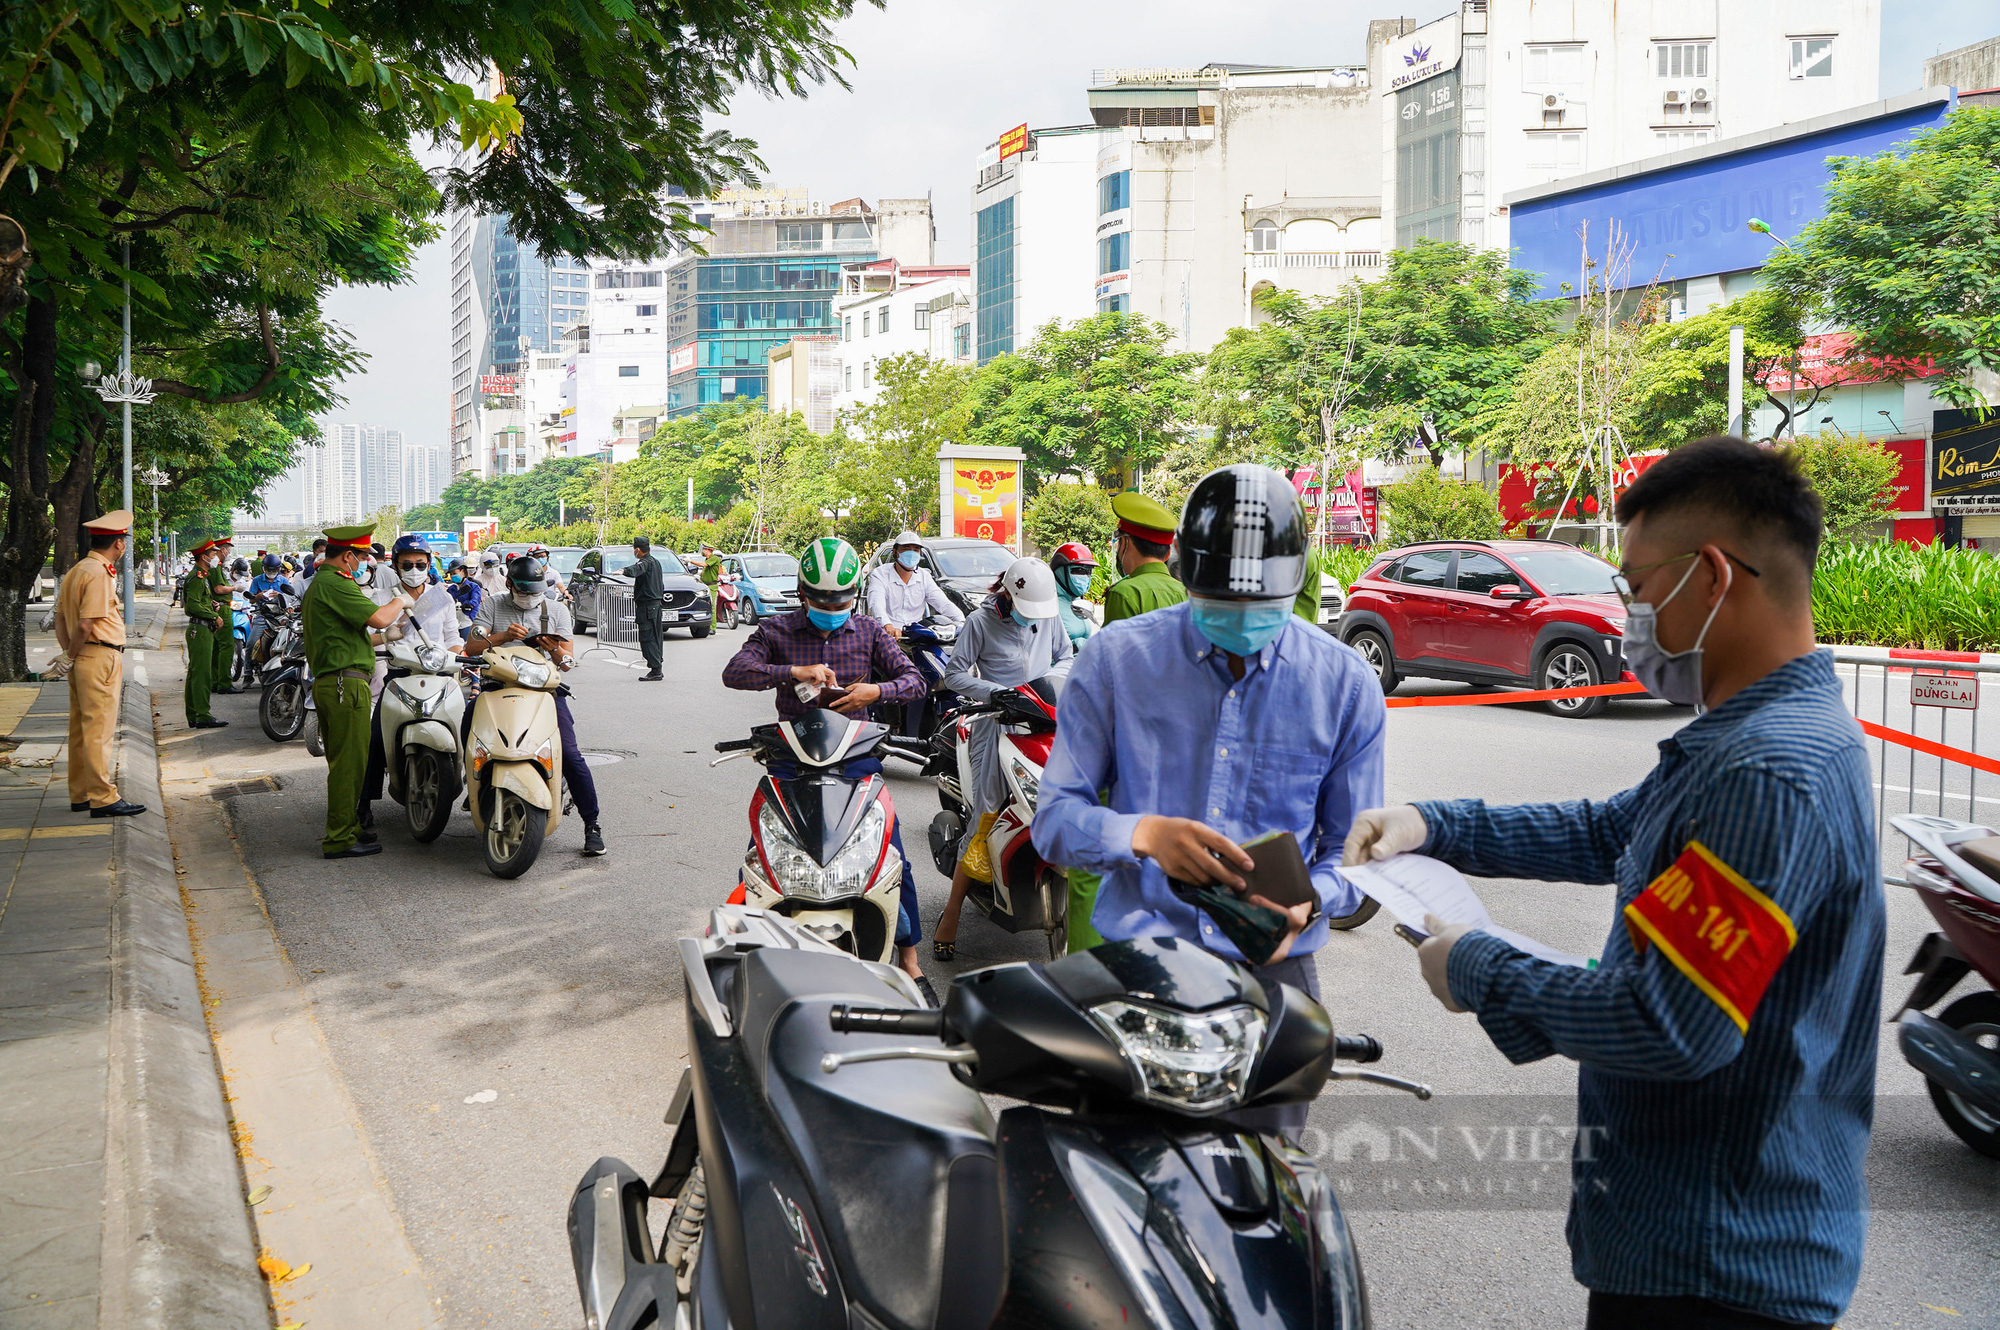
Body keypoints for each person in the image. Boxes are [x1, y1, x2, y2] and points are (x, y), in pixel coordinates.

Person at [1344, 438, 1882, 1330]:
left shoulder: (1767, 769)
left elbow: (1668, 1023)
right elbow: (1611, 830)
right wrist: (1432, 823)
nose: (1626, 615)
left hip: (1713, 1266)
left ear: (1710, 578)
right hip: (1700, 1240)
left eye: (1634, 589)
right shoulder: (1751, 742)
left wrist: (1475, 966)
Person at [1033, 464, 1386, 1140]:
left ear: (1298, 581)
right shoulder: (1115, 662)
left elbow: (1355, 852)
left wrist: (1313, 896)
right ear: (1187, 576)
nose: (1246, 621)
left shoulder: (1342, 686)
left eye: (1266, 608)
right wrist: (1142, 835)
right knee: (1121, 1185)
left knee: (1265, 1191)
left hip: (1275, 975)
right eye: (1224, 602)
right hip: (1137, 964)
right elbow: (1053, 821)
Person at [720, 536, 931, 989]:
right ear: (802, 595)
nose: (832, 607)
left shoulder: (871, 633)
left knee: (892, 857)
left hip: (856, 763)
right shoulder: (775, 632)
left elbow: (915, 681)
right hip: (791, 763)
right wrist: (792, 673)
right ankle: (749, 945)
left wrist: (877, 691)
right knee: (765, 856)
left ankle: (909, 956)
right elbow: (735, 672)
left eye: (841, 600)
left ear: (854, 595)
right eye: (821, 600)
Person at [929, 556, 1075, 960]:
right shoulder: (980, 622)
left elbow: (1066, 656)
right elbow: (955, 674)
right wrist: (996, 692)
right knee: (986, 813)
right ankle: (952, 915)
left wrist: (1048, 687)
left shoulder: (1048, 615)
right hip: (995, 724)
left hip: (1045, 722)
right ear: (1008, 592)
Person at [464, 554, 606, 857]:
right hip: (496, 688)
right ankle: (472, 787)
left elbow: (567, 662)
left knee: (568, 753)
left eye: (535, 591)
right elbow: (471, 646)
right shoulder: (493, 605)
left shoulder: (556, 609)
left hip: (544, 693)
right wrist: (501, 636)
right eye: (524, 591)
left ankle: (591, 823)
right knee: (468, 732)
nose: (529, 597)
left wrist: (552, 648)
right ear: (510, 584)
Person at [302, 525, 418, 859]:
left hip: (337, 681)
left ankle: (349, 829)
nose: (367, 562)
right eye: (364, 556)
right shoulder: (336, 584)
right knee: (348, 766)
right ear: (348, 556)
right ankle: (338, 838)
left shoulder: (324, 584)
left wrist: (390, 637)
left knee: (350, 762)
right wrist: (400, 600)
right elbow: (380, 618)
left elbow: (356, 638)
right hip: (344, 685)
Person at [357, 535, 465, 842]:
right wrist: (387, 637)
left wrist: (461, 655)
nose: (414, 569)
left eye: (420, 564)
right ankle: (363, 803)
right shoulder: (381, 597)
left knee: (470, 727)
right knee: (375, 738)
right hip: (400, 676)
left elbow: (452, 637)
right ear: (396, 565)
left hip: (441, 677)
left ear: (429, 565)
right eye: (408, 564)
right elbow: (366, 638)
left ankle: (479, 792)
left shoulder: (441, 596)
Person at [56, 511, 145, 817]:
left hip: (82, 656)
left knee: (81, 729)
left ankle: (81, 793)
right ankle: (103, 798)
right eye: (124, 542)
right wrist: (71, 654)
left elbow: (59, 618)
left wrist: (69, 654)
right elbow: (84, 624)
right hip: (99, 656)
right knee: (99, 730)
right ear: (119, 544)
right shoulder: (99, 573)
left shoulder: (78, 569)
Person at [1101, 491, 1186, 623]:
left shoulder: (1123, 593)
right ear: (1168, 553)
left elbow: (1113, 643)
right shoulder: (1184, 592)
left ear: (1125, 543)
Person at [865, 531, 964, 637]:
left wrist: (962, 623)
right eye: (906, 549)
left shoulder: (924, 576)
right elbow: (876, 604)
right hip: (887, 637)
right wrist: (888, 626)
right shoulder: (880, 574)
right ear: (895, 552)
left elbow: (943, 604)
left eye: (915, 550)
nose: (911, 553)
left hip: (916, 635)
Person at [180, 540, 228, 729]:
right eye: (213, 553)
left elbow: (199, 601)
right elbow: (191, 606)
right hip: (199, 630)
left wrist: (211, 605)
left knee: (195, 672)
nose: (216, 557)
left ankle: (194, 713)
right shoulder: (198, 577)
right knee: (202, 673)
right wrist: (214, 615)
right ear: (204, 557)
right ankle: (202, 715)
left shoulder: (202, 576)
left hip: (200, 629)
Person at [1048, 541, 1098, 648]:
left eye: (1089, 572)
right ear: (1060, 571)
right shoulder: (1048, 604)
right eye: (1079, 570)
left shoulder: (1078, 601)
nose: (1085, 576)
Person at [630, 535, 665, 680]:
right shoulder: (656, 562)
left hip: (647, 607)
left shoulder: (645, 562)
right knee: (655, 637)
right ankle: (657, 667)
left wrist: (623, 571)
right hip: (655, 606)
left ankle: (655, 669)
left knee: (648, 637)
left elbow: (636, 570)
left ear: (638, 550)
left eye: (634, 549)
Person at [209, 539, 241, 693]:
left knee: (216, 647)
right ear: (221, 550)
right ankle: (224, 683)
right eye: (227, 549)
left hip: (218, 608)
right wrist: (235, 587)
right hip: (222, 609)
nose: (228, 553)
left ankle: (215, 681)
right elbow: (219, 589)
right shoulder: (215, 567)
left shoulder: (218, 567)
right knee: (226, 646)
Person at [445, 558, 482, 625]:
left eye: (454, 573)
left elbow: (476, 599)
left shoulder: (473, 587)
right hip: (454, 622)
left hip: (469, 620)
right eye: (451, 574)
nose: (453, 576)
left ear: (463, 571)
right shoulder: (450, 589)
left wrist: (469, 604)